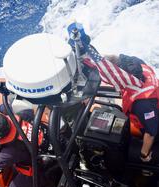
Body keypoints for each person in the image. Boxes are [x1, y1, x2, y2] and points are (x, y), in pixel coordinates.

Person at [68, 23, 159, 163]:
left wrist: (144, 154)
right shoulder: (138, 65)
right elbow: (108, 63)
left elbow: (152, 131)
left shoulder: (143, 105)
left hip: (152, 120)